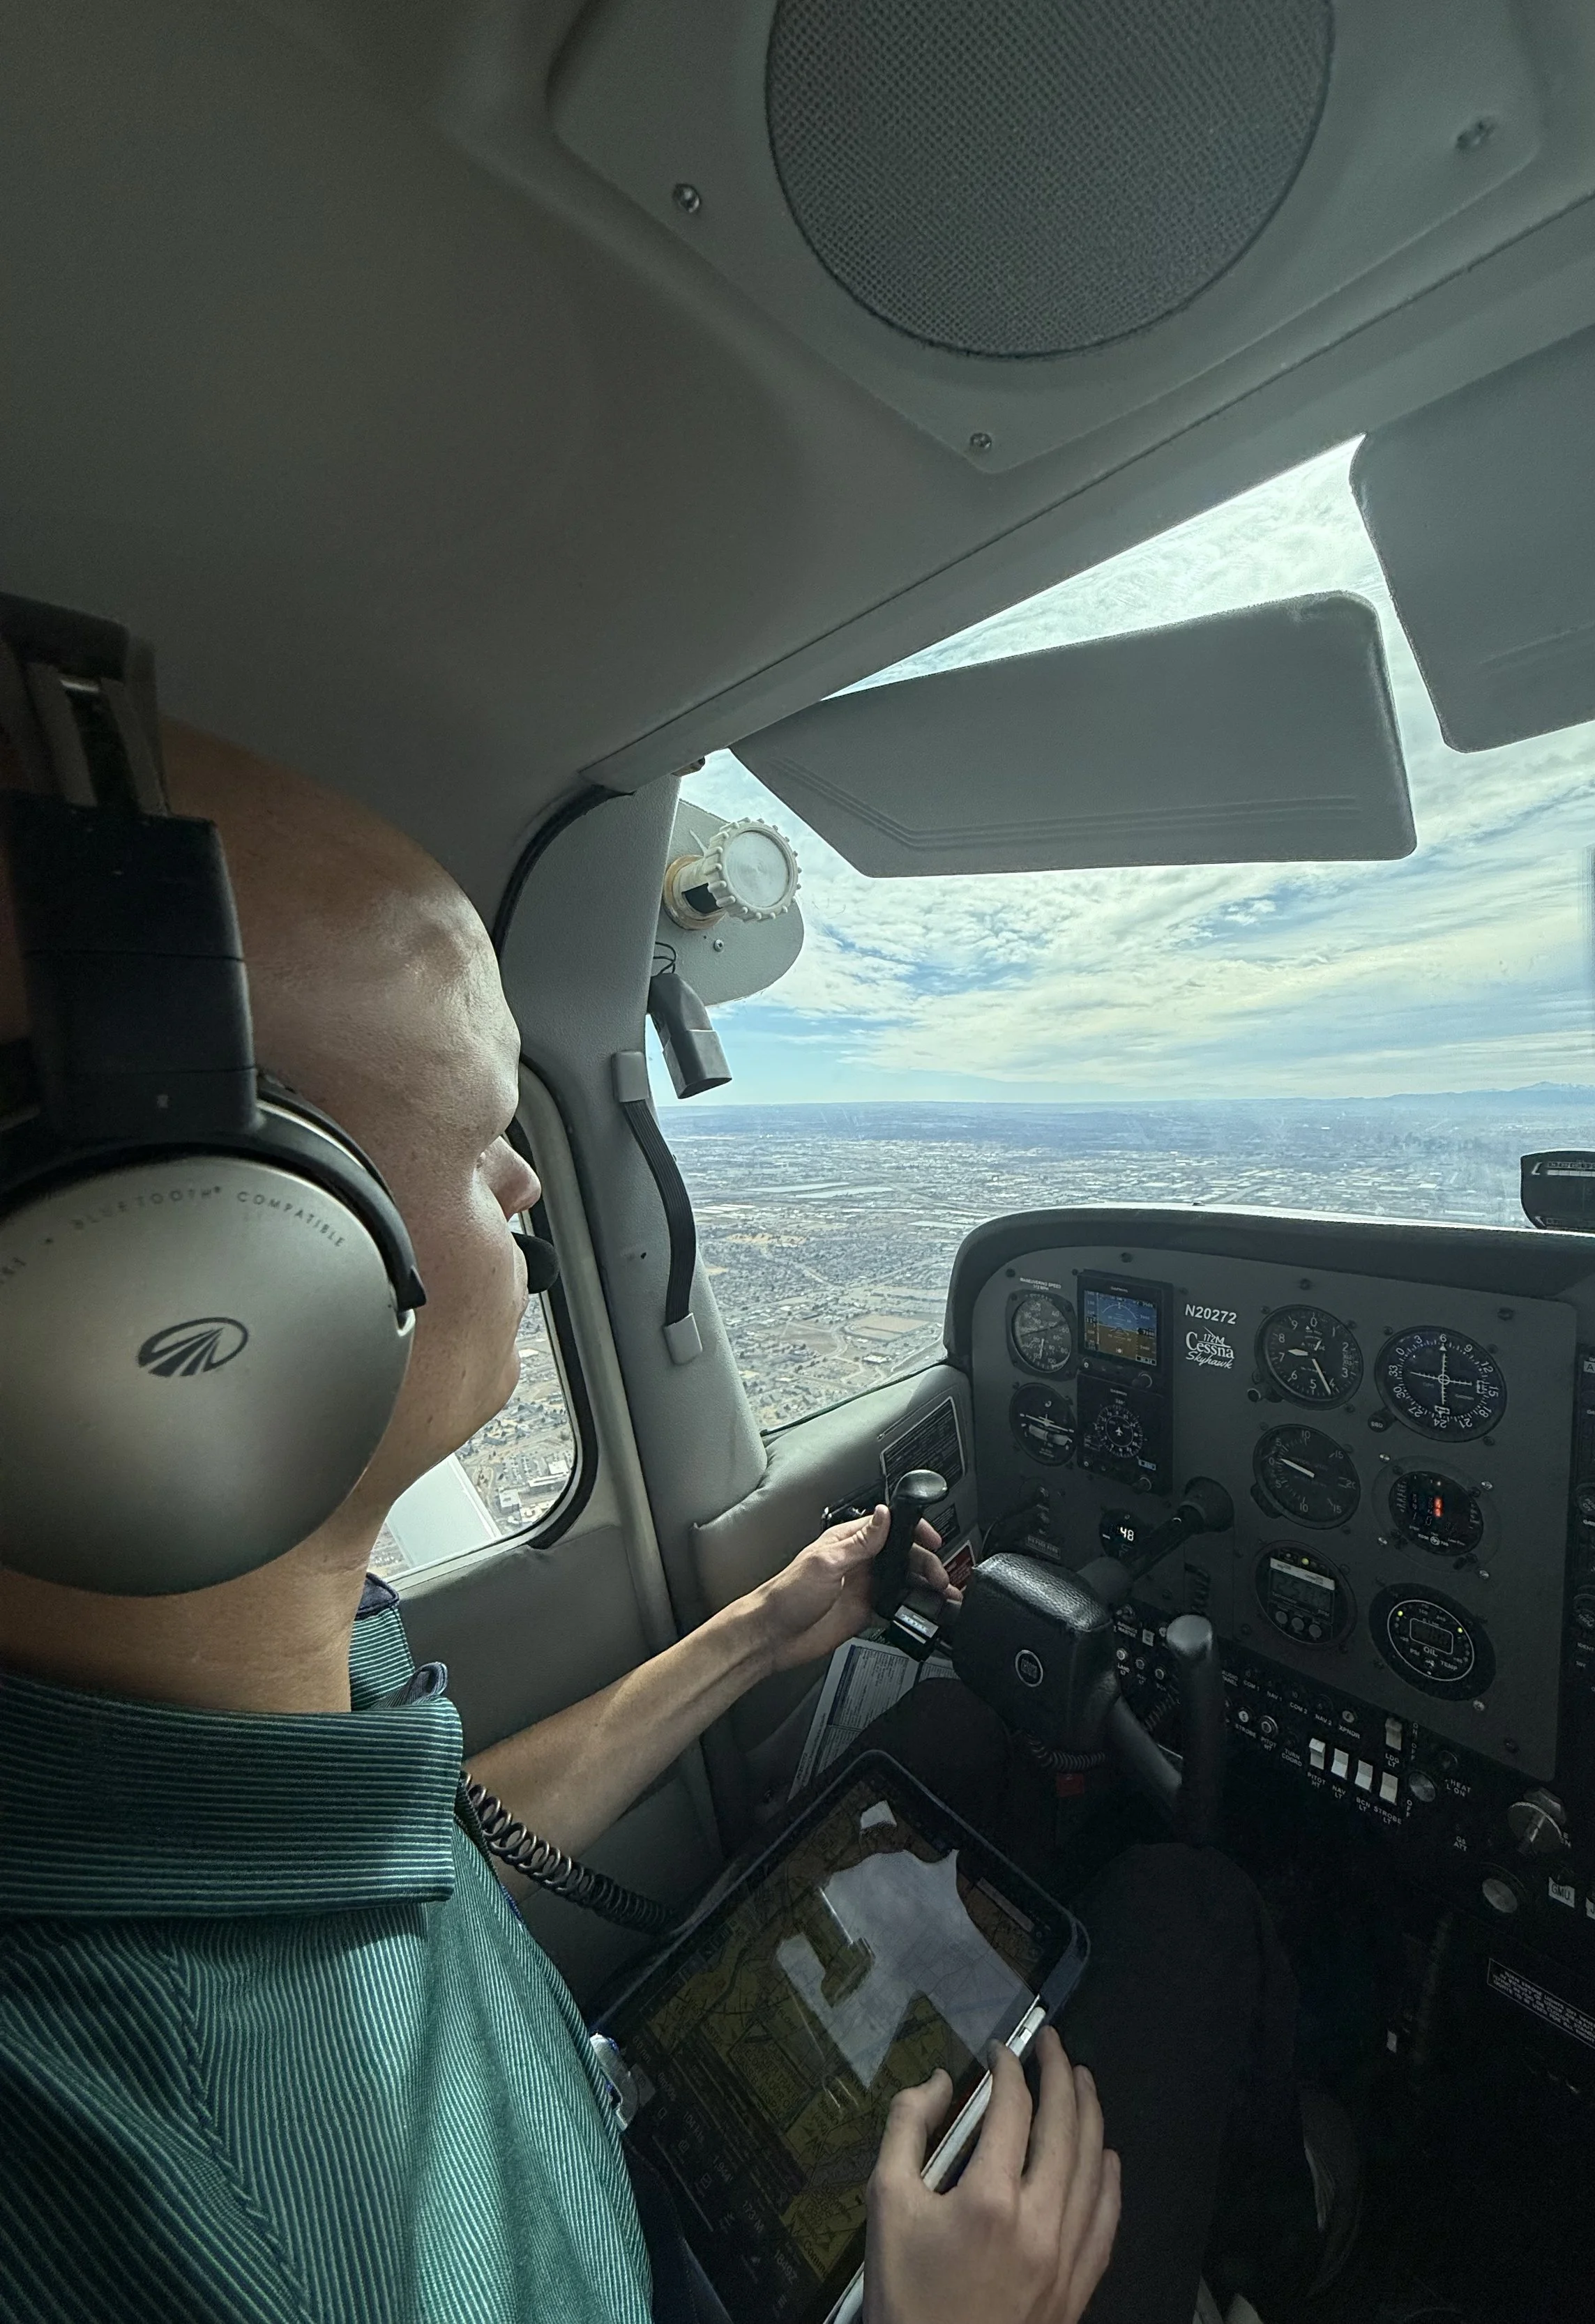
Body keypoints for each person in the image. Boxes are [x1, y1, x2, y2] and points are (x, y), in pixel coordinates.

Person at [0, 722, 1326, 2323]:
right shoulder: (254, 2233)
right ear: (201, 1293)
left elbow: (417, 1865)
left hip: (598, 2160)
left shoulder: (186, 1704)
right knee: (1189, 1910)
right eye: (486, 1126)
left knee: (964, 1747)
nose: (523, 1185)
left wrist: (763, 1630)